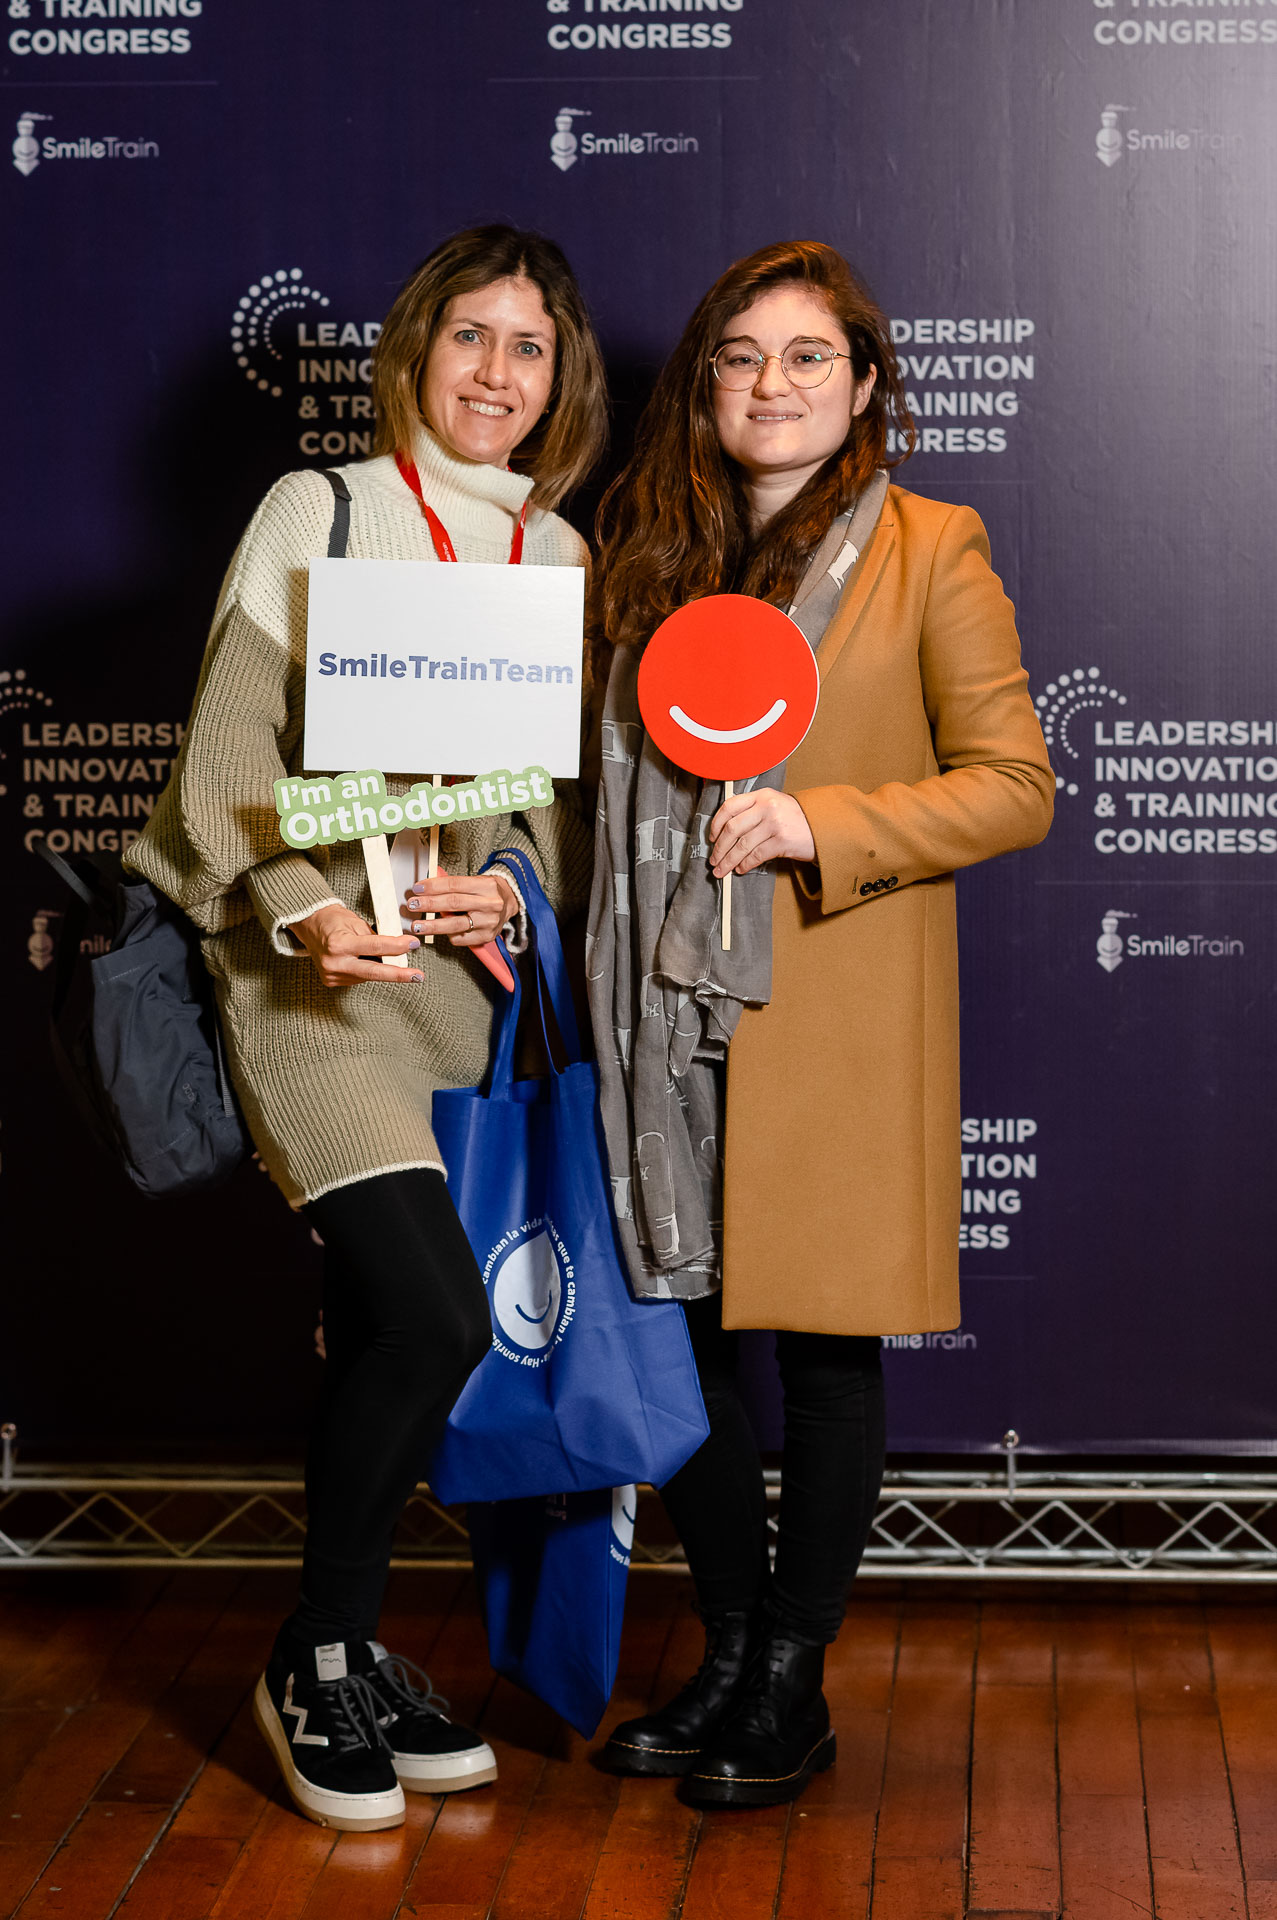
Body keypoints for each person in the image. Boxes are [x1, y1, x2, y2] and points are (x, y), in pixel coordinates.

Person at [127, 226, 606, 1832]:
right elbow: (217, 776)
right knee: (435, 1319)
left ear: (559, 378)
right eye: (468, 336)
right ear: (414, 350)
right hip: (311, 987)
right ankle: (316, 1654)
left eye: (526, 347)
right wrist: (302, 908)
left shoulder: (555, 554)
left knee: (400, 1339)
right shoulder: (319, 509)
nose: (495, 373)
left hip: (450, 1002)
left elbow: (529, 815)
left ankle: (347, 1645)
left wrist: (508, 899)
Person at [587, 240, 1053, 1808]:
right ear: (702, 384)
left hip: (829, 1004)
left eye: (803, 356)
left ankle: (793, 1675)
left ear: (861, 383)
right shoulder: (645, 548)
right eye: (736, 356)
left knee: (827, 1356)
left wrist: (817, 827)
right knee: (693, 1341)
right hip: (656, 1009)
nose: (767, 385)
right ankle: (722, 1652)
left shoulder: (932, 546)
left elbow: (1011, 785)